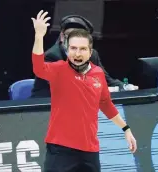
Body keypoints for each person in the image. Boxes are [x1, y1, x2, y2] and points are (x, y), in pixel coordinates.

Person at [31, 10, 137, 172]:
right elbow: (39, 68)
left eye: (82, 49)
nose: (77, 54)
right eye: (73, 48)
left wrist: (126, 129)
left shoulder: (97, 73)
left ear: (90, 51)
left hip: (90, 150)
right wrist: (39, 36)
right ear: (66, 49)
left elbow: (106, 104)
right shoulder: (59, 70)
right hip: (61, 149)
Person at [31, 14, 138, 98]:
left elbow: (106, 80)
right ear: (62, 37)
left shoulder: (92, 54)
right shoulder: (51, 56)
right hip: (45, 107)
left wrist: (124, 87)